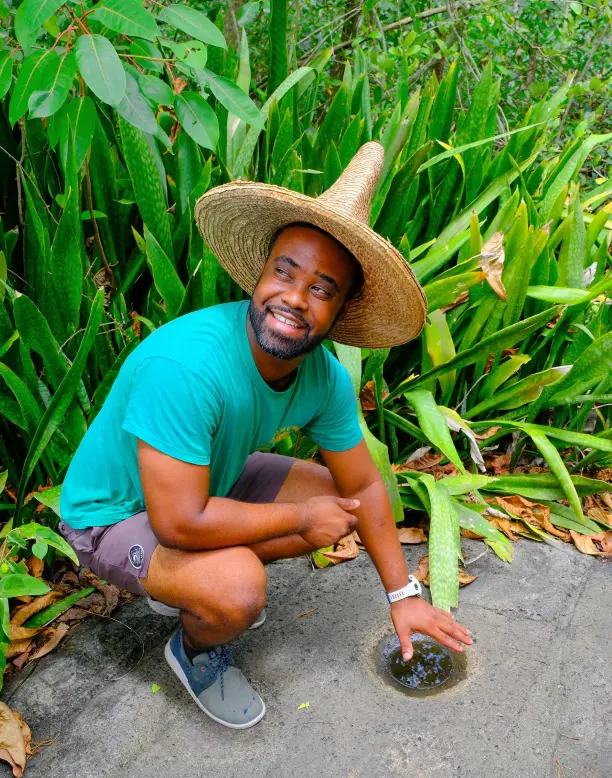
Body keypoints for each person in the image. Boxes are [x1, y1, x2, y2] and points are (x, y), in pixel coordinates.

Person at [59, 142, 472, 730]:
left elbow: (366, 489)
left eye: (323, 289)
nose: (295, 299)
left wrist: (404, 596)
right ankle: (197, 649)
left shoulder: (322, 377)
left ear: (341, 311)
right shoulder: (187, 365)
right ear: (262, 271)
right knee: (239, 589)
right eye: (285, 271)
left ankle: (184, 581)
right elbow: (178, 522)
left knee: (340, 498)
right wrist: (301, 523)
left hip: (206, 482)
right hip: (111, 514)